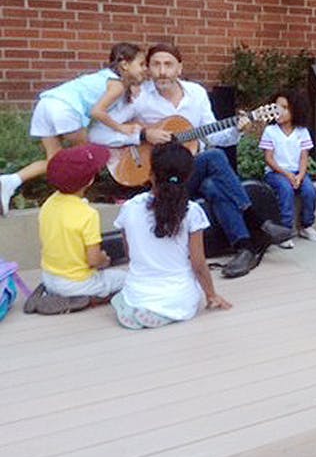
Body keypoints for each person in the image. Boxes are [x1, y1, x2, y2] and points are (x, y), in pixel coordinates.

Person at [130, 43, 293, 278]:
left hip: (192, 172)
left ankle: (244, 247)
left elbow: (215, 135)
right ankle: (257, 220)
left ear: (179, 68)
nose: (162, 71)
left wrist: (238, 129)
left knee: (213, 186)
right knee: (214, 157)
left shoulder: (195, 94)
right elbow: (112, 131)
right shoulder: (139, 98)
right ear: (148, 68)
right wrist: (144, 135)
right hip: (159, 178)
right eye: (156, 64)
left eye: (168, 65)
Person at [0, 42, 146, 216]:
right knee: (85, 158)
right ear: (125, 65)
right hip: (65, 109)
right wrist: (120, 128)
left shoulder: (108, 79)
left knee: (55, 161)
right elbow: (97, 112)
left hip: (46, 104)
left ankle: (10, 181)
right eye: (141, 64)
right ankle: (75, 198)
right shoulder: (117, 86)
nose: (145, 69)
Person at [111, 143, 232, 329]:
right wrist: (211, 294)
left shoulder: (129, 207)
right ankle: (161, 312)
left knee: (124, 297)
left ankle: (137, 310)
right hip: (178, 297)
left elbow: (129, 253)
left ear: (151, 174)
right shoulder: (192, 212)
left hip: (137, 292)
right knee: (182, 297)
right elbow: (198, 263)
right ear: (188, 176)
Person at [28, 144, 126, 314]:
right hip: (77, 283)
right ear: (89, 180)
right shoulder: (87, 214)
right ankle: (84, 300)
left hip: (49, 277)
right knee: (126, 279)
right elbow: (93, 261)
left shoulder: (49, 203)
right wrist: (104, 259)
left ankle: (51, 294)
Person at [259, 88, 316, 248]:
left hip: (297, 172)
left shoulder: (302, 132)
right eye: (276, 107)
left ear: (296, 110)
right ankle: (284, 231)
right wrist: (286, 174)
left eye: (285, 108)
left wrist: (301, 175)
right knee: (285, 189)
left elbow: (304, 157)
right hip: (276, 173)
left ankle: (307, 226)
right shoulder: (270, 131)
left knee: (310, 190)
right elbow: (269, 158)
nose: (279, 111)